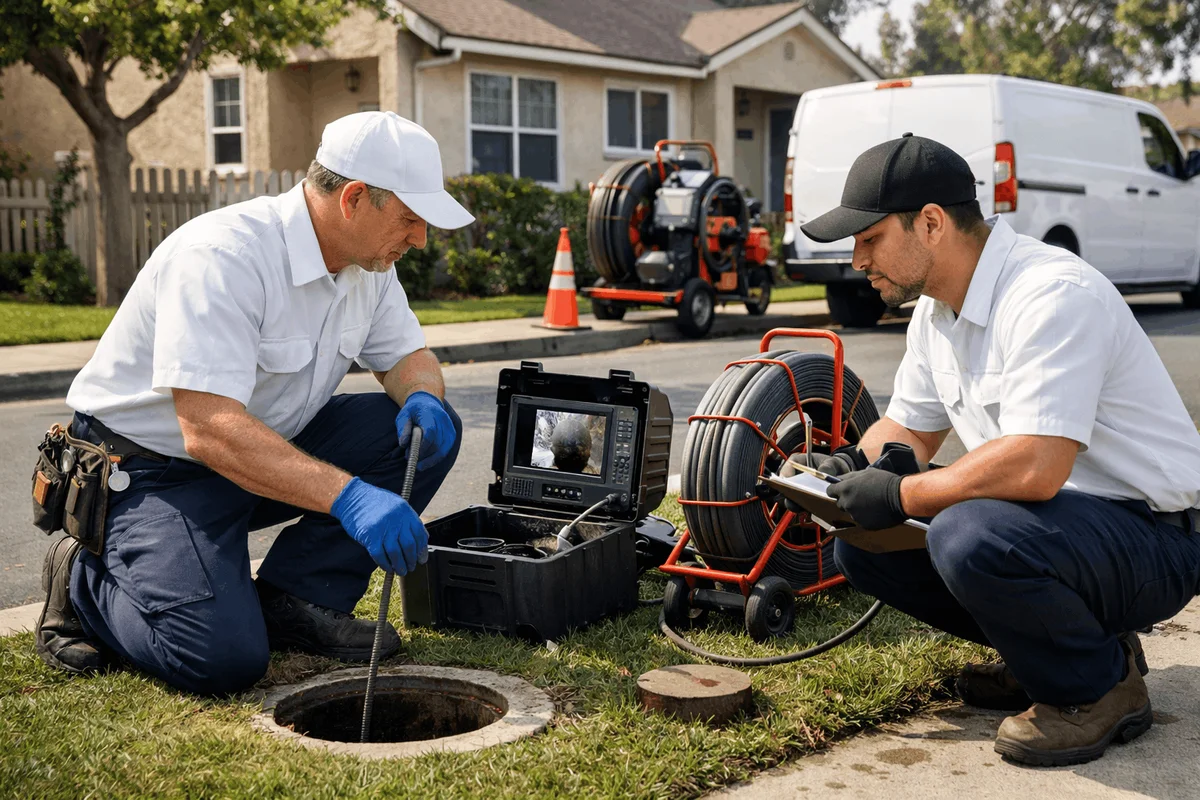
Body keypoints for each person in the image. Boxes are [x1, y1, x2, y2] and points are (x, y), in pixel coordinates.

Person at [35, 111, 474, 696]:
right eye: (411, 219)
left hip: (255, 454)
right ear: (354, 198)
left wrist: (423, 396)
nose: (419, 239)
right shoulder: (224, 255)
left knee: (418, 430)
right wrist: (349, 498)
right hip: (150, 475)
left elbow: (405, 358)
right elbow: (209, 430)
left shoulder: (367, 264)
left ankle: (297, 599)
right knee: (220, 659)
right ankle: (81, 578)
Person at [796, 133, 1200, 767]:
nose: (856, 260)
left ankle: (1097, 688)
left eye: (868, 238)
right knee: (864, 545)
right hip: (1063, 532)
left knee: (966, 534)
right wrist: (852, 467)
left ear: (929, 224)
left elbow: (1037, 466)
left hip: (1155, 536)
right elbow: (909, 429)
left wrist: (902, 491)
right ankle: (1049, 657)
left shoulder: (1049, 294)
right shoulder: (936, 313)